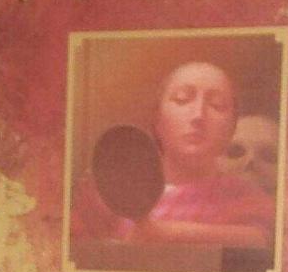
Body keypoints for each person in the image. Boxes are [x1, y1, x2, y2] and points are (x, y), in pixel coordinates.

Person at [71, 61, 275, 249]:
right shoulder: (107, 194)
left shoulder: (244, 195)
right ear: (158, 119)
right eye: (182, 99)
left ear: (231, 129)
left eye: (217, 105)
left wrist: (168, 233)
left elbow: (260, 240)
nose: (198, 115)